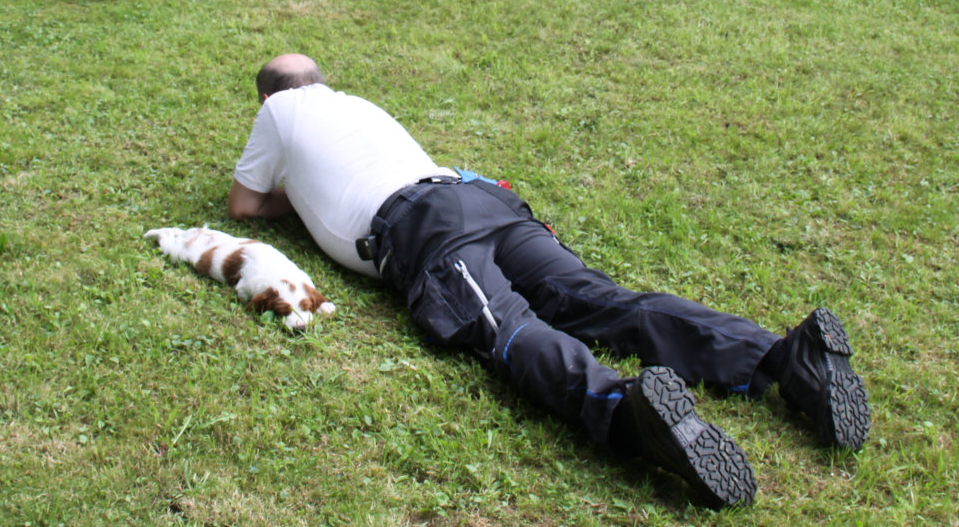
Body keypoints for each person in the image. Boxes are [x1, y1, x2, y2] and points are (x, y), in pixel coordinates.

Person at [227, 54, 871, 509]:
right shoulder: (357, 105)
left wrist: (295, 196)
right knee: (606, 302)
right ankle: (785, 357)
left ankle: (627, 413)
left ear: (268, 96)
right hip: (481, 197)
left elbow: (243, 205)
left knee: (507, 328)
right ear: (324, 81)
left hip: (421, 225)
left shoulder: (279, 109)